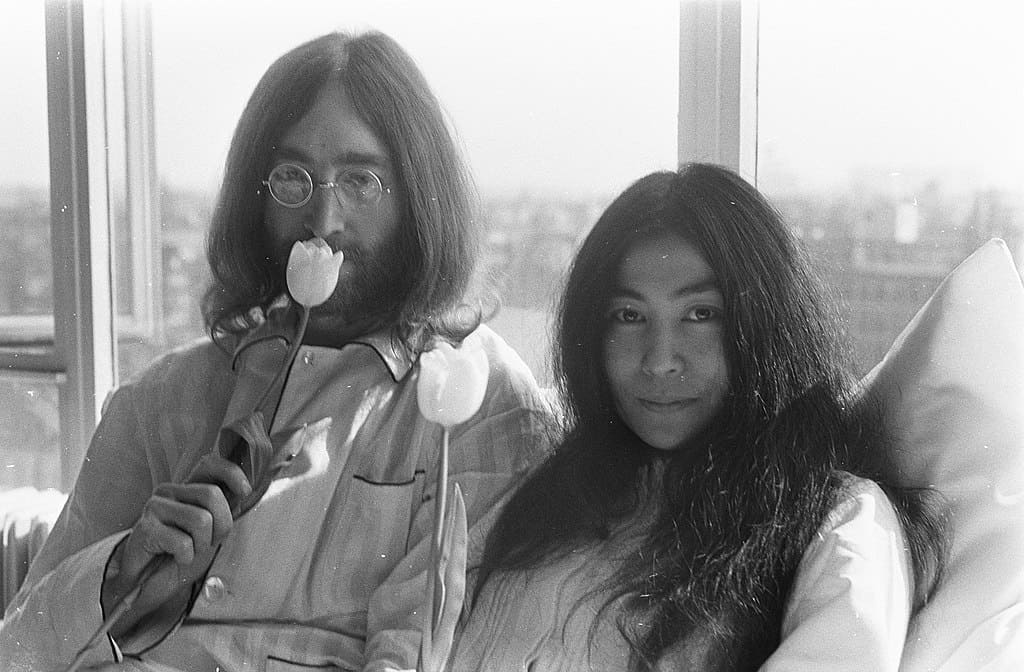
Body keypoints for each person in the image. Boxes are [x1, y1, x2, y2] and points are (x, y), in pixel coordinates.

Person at [0, 31, 550, 672]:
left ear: (417, 198)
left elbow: (428, 650)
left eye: (360, 180)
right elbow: (18, 650)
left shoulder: (478, 397)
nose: (323, 220)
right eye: (293, 178)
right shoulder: (159, 402)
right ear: (254, 198)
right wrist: (122, 573)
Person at [448, 163, 947, 671]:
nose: (660, 358)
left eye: (700, 314)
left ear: (764, 326)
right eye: (629, 315)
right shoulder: (541, 493)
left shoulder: (836, 525)